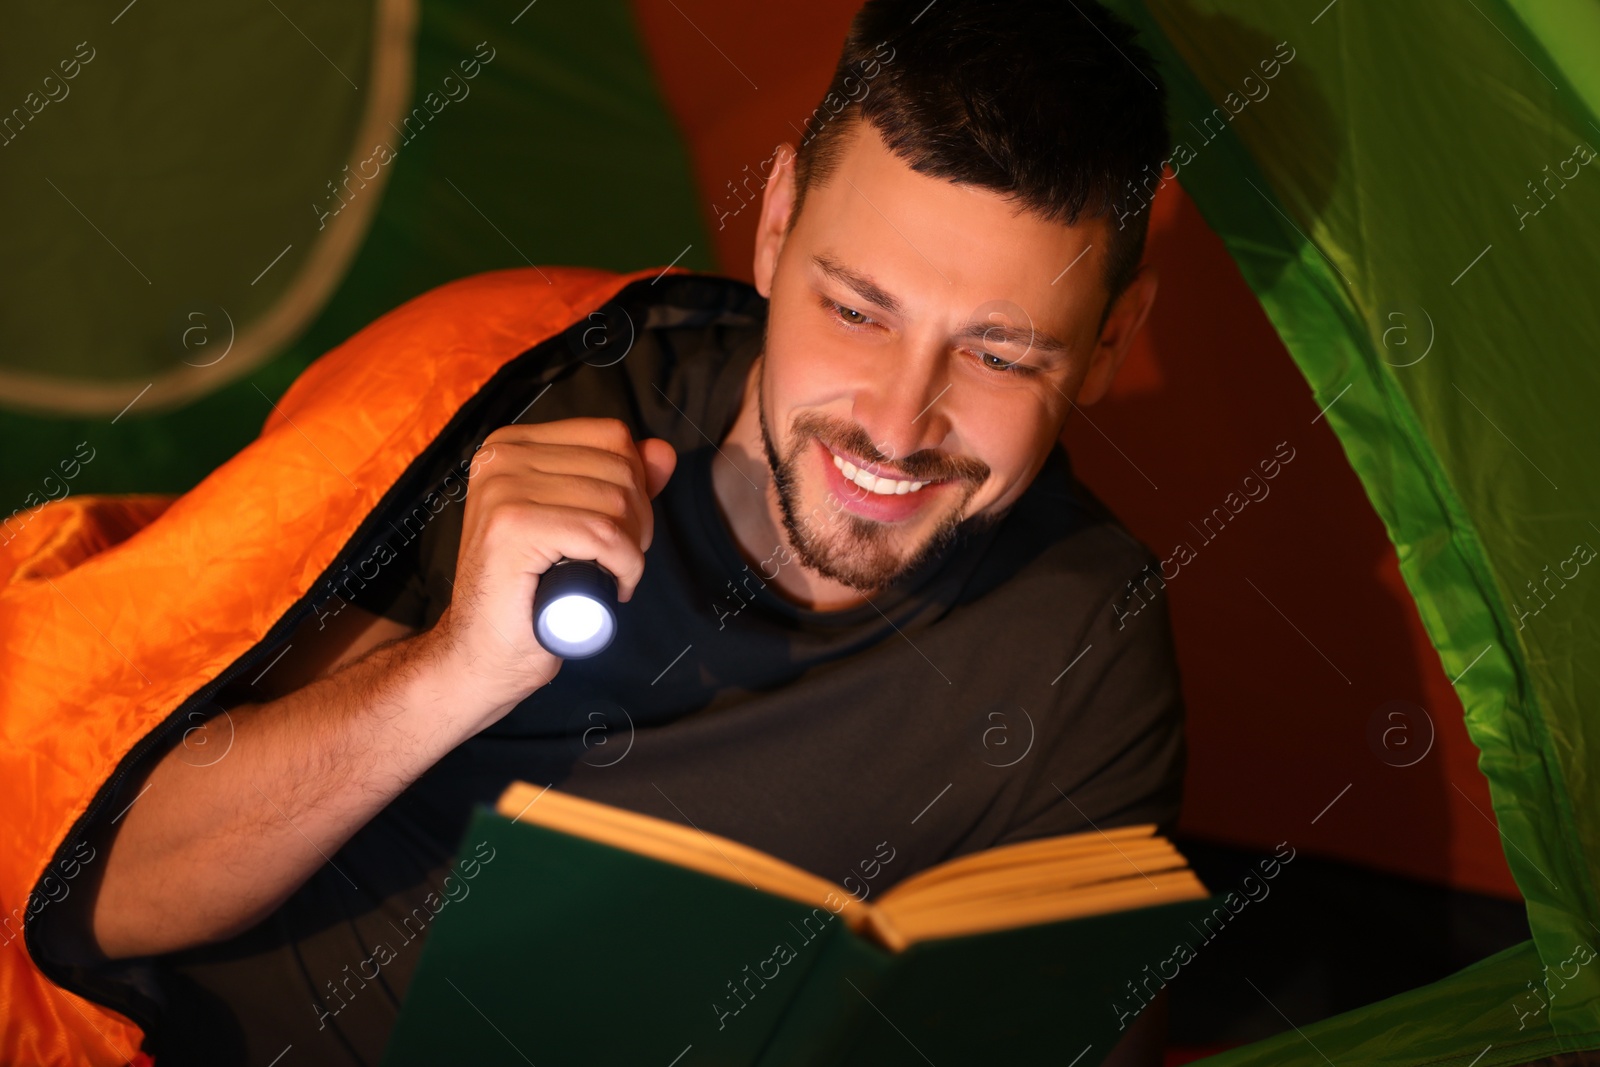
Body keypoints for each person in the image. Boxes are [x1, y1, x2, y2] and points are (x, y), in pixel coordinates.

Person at [33, 0, 1183, 1062]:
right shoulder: (527, 390)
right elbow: (104, 895)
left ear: (1111, 339)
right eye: (855, 309)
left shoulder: (1080, 640)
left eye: (996, 354)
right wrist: (457, 667)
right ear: (776, 225)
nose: (895, 421)